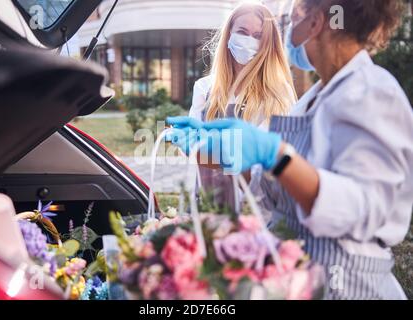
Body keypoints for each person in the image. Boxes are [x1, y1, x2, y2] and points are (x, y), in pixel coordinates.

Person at [167, 0, 413, 299]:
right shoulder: (312, 99)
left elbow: (363, 210)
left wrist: (277, 155)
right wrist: (225, 153)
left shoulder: (372, 92)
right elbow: (271, 191)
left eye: (290, 20)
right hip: (301, 275)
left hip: (348, 283)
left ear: (316, 21)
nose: (285, 32)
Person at [178, 2, 296, 213]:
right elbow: (194, 151)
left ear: (267, 42)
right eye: (242, 31)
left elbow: (268, 164)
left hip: (258, 210)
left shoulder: (278, 94)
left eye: (258, 35)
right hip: (209, 204)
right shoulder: (205, 88)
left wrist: (210, 151)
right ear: (229, 33)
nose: (248, 40)